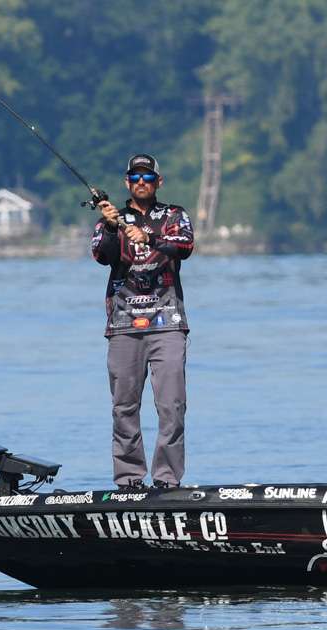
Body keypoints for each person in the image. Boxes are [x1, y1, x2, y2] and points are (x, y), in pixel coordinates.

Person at [91, 153, 194, 489]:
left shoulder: (174, 215)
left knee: (172, 406)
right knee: (124, 407)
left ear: (158, 182)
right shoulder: (112, 218)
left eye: (147, 178)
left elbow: (185, 247)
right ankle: (129, 480)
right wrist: (110, 226)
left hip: (168, 323)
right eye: (135, 178)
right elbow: (102, 255)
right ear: (127, 183)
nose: (141, 183)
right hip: (123, 324)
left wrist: (148, 237)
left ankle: (166, 480)